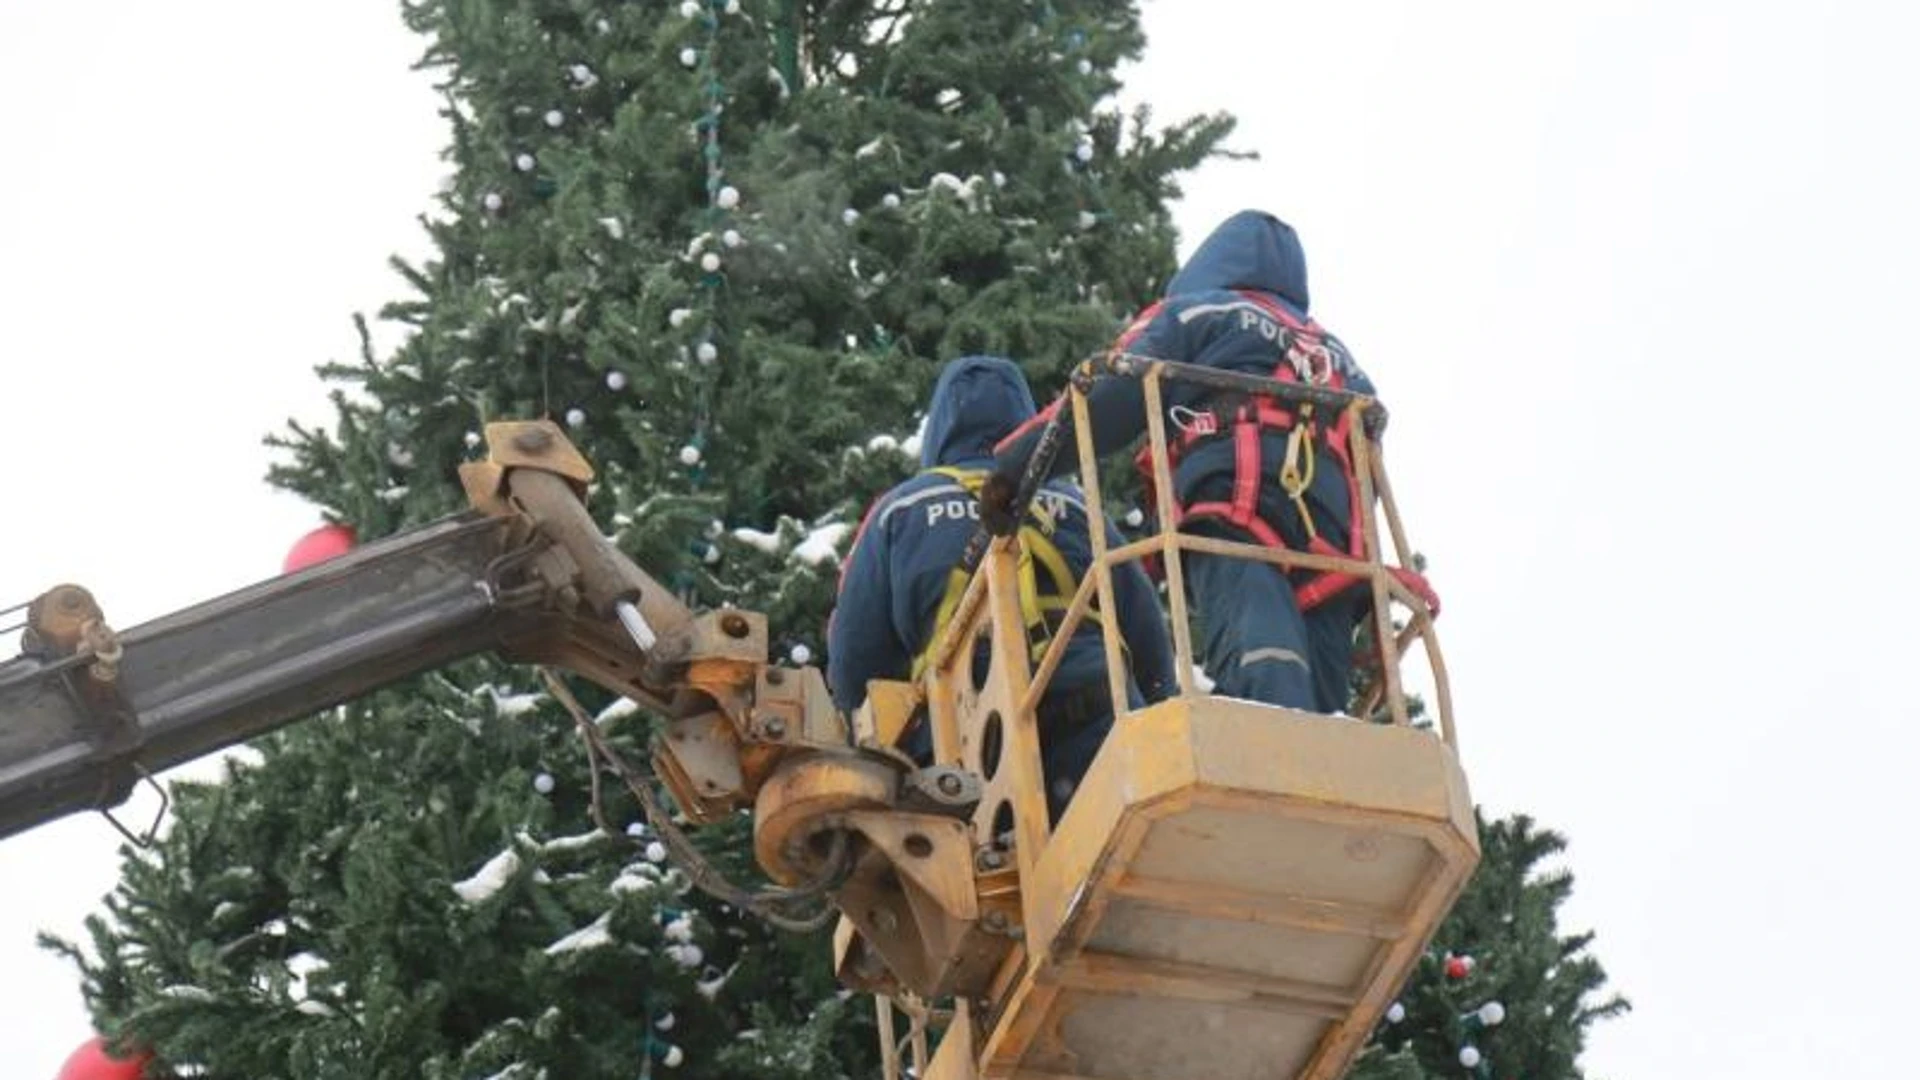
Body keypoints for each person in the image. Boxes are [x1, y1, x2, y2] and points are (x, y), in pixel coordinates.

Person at [984, 211, 1381, 716]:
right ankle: (1332, 761)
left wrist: (1017, 467)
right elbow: (1367, 456)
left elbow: (1113, 393)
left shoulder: (1198, 311)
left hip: (1238, 498)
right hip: (1334, 529)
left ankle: (1269, 758)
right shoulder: (1338, 353)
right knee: (1322, 677)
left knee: (1261, 650)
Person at [828, 355, 1176, 820]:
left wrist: (874, 748)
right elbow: (1146, 628)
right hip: (1099, 718)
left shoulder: (901, 510)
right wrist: (1157, 713)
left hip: (970, 750)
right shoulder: (1077, 505)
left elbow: (856, 657)